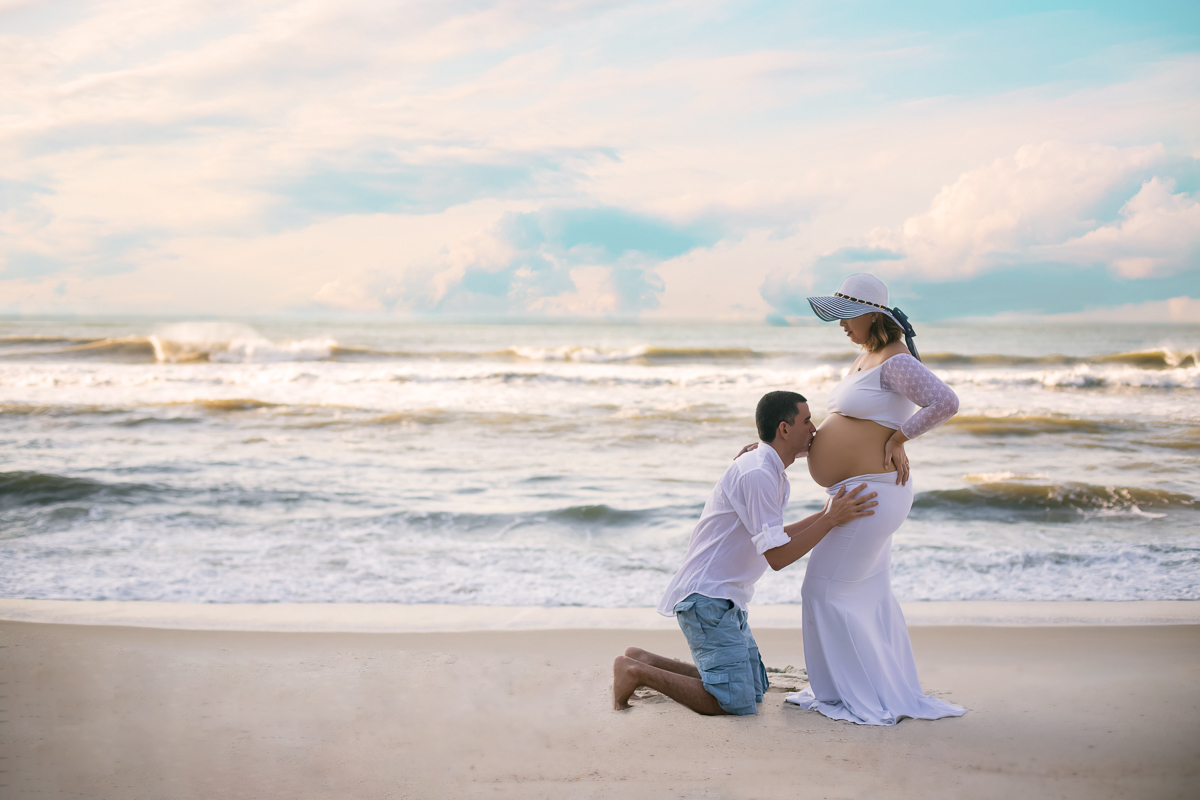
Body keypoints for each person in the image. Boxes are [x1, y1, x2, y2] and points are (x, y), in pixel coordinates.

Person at [612, 390, 878, 715]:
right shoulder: (757, 473)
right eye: (807, 420)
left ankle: (644, 660)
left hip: (726, 601)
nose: (814, 429)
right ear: (784, 429)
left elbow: (775, 538)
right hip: (706, 600)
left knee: (754, 689)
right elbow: (778, 558)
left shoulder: (770, 472)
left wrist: (828, 515)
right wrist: (830, 520)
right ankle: (634, 672)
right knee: (734, 702)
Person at [776, 272, 966, 725]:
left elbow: (945, 402)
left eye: (846, 317)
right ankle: (855, 687)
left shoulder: (894, 360)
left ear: (869, 314)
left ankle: (850, 692)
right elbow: (858, 420)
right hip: (858, 492)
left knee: (822, 589)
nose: (841, 325)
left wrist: (900, 439)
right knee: (867, 594)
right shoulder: (866, 356)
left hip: (871, 496)